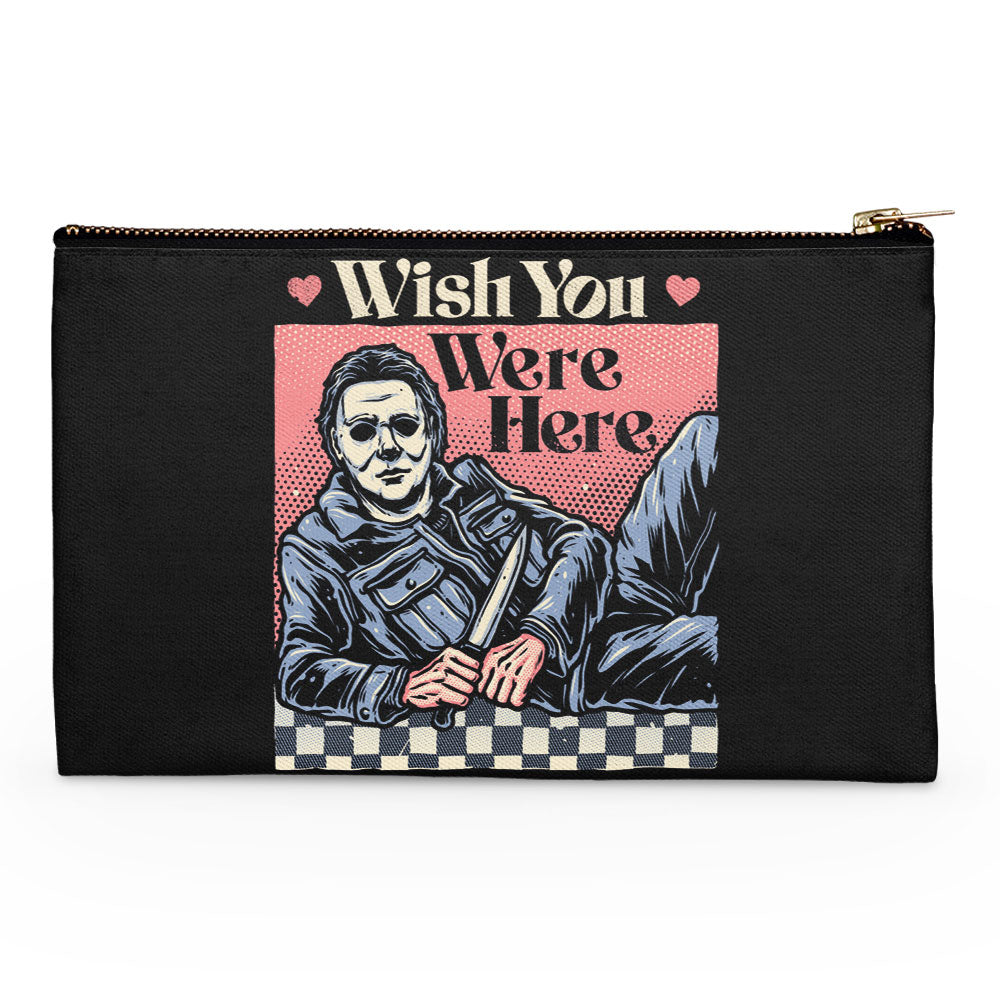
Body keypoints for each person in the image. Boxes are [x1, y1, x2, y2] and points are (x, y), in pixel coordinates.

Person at [277, 344, 717, 724]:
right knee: (718, 642)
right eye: (363, 431)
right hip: (587, 665)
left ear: (431, 431)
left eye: (405, 426)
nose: (388, 447)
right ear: (336, 442)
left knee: (708, 437)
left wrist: (541, 632)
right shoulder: (317, 548)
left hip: (615, 592)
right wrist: (402, 685)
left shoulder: (471, 482)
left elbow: (580, 538)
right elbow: (298, 670)